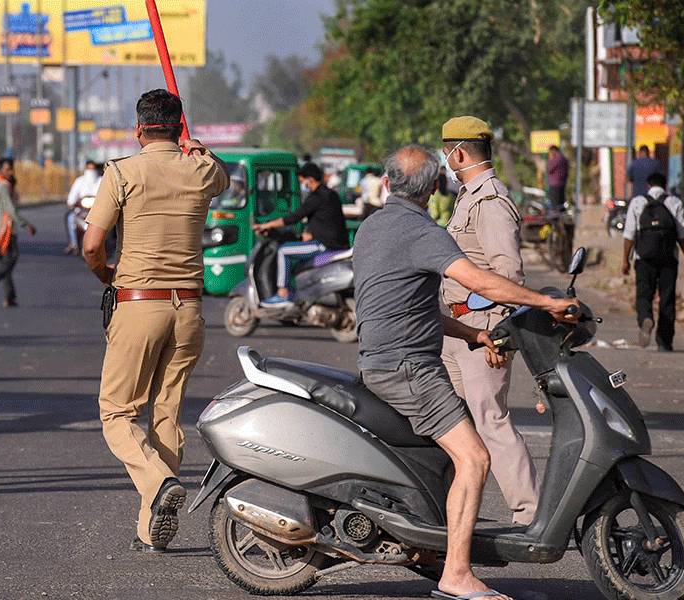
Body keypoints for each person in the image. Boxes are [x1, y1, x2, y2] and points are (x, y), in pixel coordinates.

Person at [353, 144, 577, 600]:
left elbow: (406, 307)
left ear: (385, 182)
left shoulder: (370, 227)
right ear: (435, 188)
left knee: (439, 457)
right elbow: (482, 281)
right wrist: (549, 302)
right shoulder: (423, 231)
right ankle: (456, 574)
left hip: (381, 360)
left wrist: (474, 335)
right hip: (409, 368)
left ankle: (424, 546)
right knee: (475, 458)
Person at [83, 89, 229, 553]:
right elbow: (221, 175)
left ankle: (159, 481)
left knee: (116, 413)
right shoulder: (202, 169)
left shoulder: (122, 172)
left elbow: (92, 244)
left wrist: (107, 273)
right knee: (166, 413)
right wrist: (199, 150)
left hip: (138, 303)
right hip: (188, 309)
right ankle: (151, 529)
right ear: (179, 127)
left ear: (139, 128)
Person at [439, 116, 539, 525]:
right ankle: (448, 508)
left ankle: (531, 514)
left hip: (483, 329)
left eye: (445, 151)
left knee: (490, 420)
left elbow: (509, 275)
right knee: (446, 421)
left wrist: (498, 334)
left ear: (457, 152)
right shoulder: (467, 196)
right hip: (458, 328)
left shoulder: (490, 201)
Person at [251, 161, 350, 305]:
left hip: (325, 245)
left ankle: (283, 293)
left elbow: (293, 217)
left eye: (302, 181)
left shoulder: (316, 197)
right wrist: (309, 233)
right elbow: (325, 219)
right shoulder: (331, 195)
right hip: (335, 242)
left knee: (284, 251)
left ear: (310, 180)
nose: (302, 185)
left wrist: (267, 224)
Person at [622, 171, 684, 351]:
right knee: (667, 298)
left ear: (648, 185)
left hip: (644, 258)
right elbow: (683, 236)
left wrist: (625, 260)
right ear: (665, 184)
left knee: (644, 294)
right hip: (669, 258)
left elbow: (629, 235)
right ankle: (665, 341)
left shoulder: (637, 203)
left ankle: (646, 317)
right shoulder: (674, 202)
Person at [0, 158, 36, 307]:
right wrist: (26, 225)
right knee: (10, 261)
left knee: (5, 264)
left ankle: (9, 297)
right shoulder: (3, 186)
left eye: (11, 169)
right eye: (7, 169)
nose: (10, 172)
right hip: (6, 230)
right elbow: (11, 210)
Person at [64, 160, 103, 255]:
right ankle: (73, 243)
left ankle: (111, 241)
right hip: (81, 210)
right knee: (70, 218)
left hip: (98, 210)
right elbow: (71, 199)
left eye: (92, 169)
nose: (91, 172)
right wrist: (74, 203)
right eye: (89, 169)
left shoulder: (102, 180)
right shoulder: (79, 181)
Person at [546, 145, 569, 211]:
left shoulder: (556, 159)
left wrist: (550, 159)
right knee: (560, 204)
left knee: (555, 205)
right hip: (561, 183)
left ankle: (558, 219)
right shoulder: (563, 158)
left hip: (555, 184)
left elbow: (549, 169)